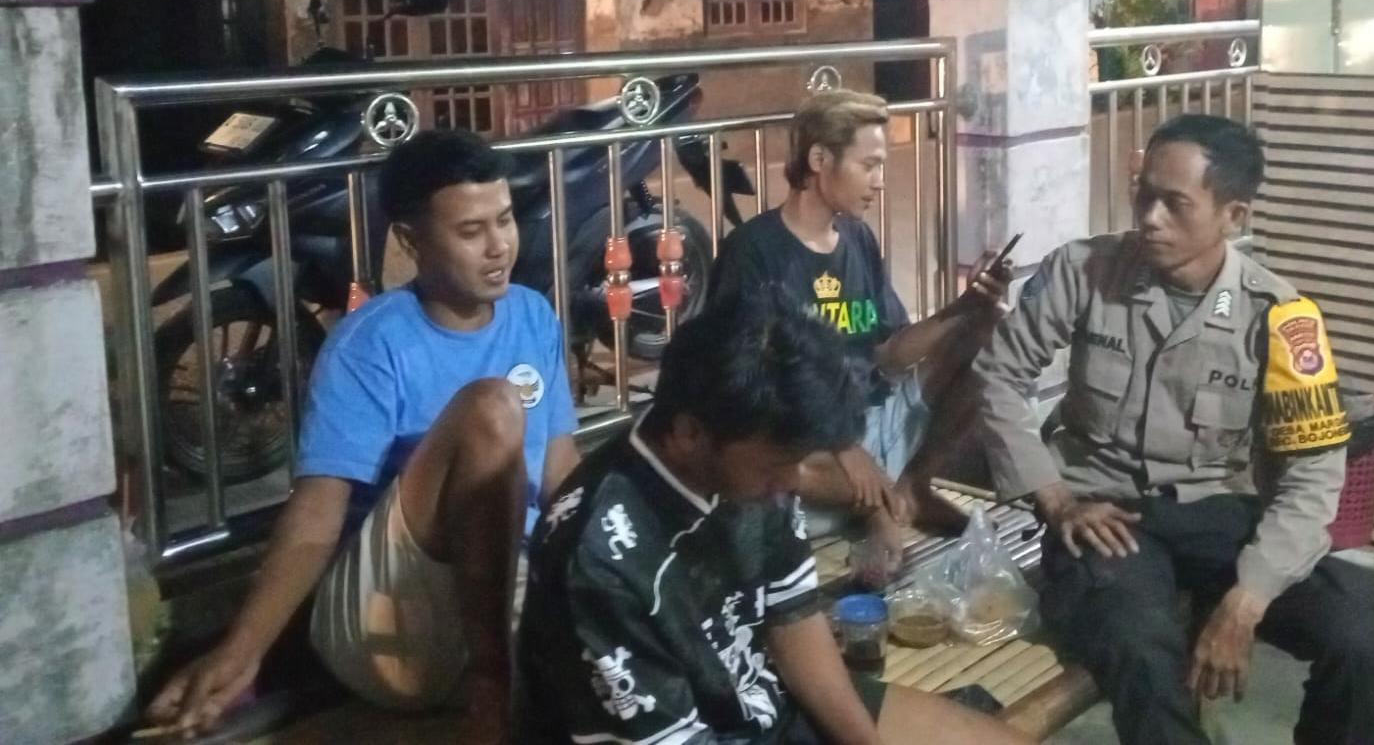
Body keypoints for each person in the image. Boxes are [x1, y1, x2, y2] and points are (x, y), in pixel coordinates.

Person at [973, 114, 1374, 745]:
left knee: (1360, 633)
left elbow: (1313, 475)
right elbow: (999, 375)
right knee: (1143, 653)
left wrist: (1248, 600)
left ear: (1234, 216)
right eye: (1144, 194)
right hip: (1108, 514)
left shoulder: (1281, 316)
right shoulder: (1085, 271)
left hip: (1217, 512)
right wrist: (1055, 498)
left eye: (1174, 204)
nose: (1150, 218)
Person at [147, 129, 580, 743]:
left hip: (509, 585)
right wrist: (241, 652)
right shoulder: (371, 345)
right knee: (492, 408)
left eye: (504, 220)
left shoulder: (532, 314)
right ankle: (491, 682)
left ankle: (502, 668)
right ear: (410, 240)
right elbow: (315, 519)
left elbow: (562, 475)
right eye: (470, 231)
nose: (498, 247)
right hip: (394, 616)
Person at [516, 290, 1035, 745]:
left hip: (766, 707)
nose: (793, 481)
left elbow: (794, 620)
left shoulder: (757, 462)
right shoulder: (598, 560)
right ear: (690, 433)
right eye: (779, 464)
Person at [707, 88, 1011, 580]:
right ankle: (879, 509)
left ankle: (910, 489)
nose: (880, 182)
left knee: (991, 332)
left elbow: (889, 354)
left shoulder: (857, 238)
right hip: (813, 451)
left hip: (873, 423)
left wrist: (967, 308)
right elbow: (747, 389)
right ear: (820, 160)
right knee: (778, 455)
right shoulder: (754, 252)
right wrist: (843, 444)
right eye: (869, 165)